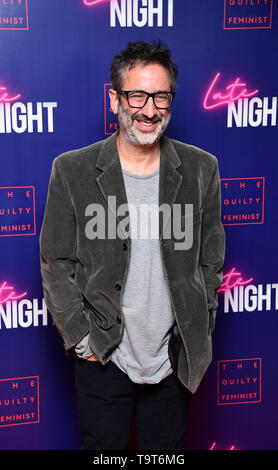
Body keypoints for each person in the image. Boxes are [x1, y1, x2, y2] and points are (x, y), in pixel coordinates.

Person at [39, 40, 226, 450]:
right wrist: (84, 340)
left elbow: (211, 260)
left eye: (160, 95)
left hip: (173, 361)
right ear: (114, 99)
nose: (148, 108)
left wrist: (198, 323)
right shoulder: (72, 171)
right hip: (104, 357)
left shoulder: (200, 168)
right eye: (136, 94)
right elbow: (55, 261)